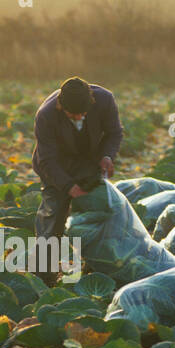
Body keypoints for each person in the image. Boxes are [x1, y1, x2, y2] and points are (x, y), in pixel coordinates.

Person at [31, 77, 123, 284]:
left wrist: (107, 156)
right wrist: (68, 187)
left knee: (100, 214)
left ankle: (96, 270)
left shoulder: (104, 100)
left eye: (83, 113)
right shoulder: (46, 116)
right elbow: (47, 160)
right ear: (60, 106)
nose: (79, 117)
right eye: (73, 114)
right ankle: (44, 278)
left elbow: (114, 132)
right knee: (53, 218)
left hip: (90, 162)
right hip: (57, 168)